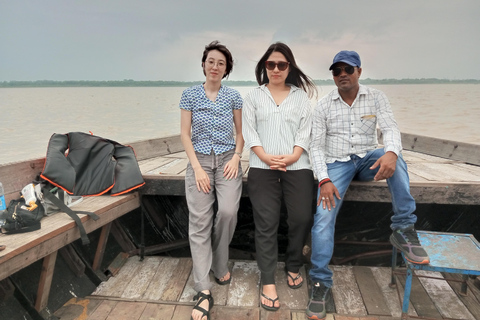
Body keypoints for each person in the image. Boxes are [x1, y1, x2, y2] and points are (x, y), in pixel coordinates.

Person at [307, 50, 430, 320]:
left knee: (396, 160)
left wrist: (391, 152)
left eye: (347, 70)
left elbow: (390, 129)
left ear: (359, 72)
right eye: (336, 71)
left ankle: (404, 228)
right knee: (323, 217)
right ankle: (319, 282)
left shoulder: (376, 97)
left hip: (366, 159)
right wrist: (324, 178)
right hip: (336, 164)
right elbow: (315, 147)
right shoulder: (324, 106)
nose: (342, 75)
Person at [242, 42, 317, 312]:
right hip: (262, 166)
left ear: (289, 67)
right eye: (271, 64)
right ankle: (268, 278)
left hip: (297, 165)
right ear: (265, 66)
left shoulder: (301, 97)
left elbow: (305, 131)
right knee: (266, 222)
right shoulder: (253, 97)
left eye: (281, 65)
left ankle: (294, 263)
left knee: (301, 217)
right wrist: (265, 157)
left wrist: (294, 156)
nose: (276, 69)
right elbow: (249, 132)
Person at [179, 40, 244, 320]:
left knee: (228, 211)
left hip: (229, 158)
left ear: (226, 68)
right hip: (200, 161)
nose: (215, 66)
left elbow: (241, 134)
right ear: (203, 65)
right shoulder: (190, 95)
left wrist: (236, 157)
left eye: (221, 63)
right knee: (200, 222)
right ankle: (203, 289)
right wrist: (197, 168)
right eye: (211, 61)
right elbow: (184, 134)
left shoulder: (234, 97)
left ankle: (220, 263)